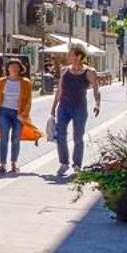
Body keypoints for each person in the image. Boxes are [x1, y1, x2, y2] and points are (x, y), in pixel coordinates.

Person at [0, 56, 39, 176]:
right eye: (11, 67)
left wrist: (24, 115)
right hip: (4, 112)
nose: (14, 69)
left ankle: (13, 163)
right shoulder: (1, 81)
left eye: (16, 67)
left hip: (19, 114)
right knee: (4, 138)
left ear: (20, 69)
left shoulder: (26, 83)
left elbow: (28, 101)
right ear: (8, 68)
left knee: (16, 139)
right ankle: (2, 164)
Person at [52, 43, 103, 176]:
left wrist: (98, 104)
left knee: (78, 137)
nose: (68, 56)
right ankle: (64, 163)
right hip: (64, 107)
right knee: (60, 135)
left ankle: (77, 164)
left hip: (79, 107)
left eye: (71, 54)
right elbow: (59, 90)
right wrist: (53, 108)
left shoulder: (90, 72)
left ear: (79, 56)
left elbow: (96, 89)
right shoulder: (64, 70)